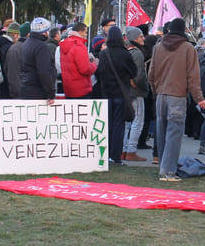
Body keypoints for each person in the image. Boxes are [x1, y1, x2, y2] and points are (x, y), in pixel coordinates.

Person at [150, 18, 205, 181]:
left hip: (161, 95)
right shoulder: (188, 48)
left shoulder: (158, 47)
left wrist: (156, 91)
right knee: (174, 134)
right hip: (177, 95)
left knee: (161, 132)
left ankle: (163, 165)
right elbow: (193, 76)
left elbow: (151, 74)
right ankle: (168, 171)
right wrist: (199, 98)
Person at [96, 26, 136, 165]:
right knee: (120, 125)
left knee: (108, 125)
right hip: (121, 93)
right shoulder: (125, 54)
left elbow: (99, 72)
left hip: (106, 93)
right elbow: (134, 72)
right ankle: (116, 156)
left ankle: (105, 154)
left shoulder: (104, 54)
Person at [123, 26, 149, 162]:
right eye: (140, 37)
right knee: (137, 121)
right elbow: (139, 76)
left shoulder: (126, 51)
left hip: (127, 90)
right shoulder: (137, 53)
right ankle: (131, 150)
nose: (143, 38)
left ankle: (123, 149)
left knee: (127, 122)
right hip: (136, 91)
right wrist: (145, 87)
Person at [19, 18, 57, 101]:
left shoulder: (27, 43)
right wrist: (50, 93)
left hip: (27, 86)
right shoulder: (41, 47)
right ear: (44, 32)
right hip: (38, 90)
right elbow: (44, 71)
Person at [59, 22, 96, 99]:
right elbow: (85, 69)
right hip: (81, 89)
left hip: (68, 88)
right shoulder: (79, 46)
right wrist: (94, 64)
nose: (86, 35)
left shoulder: (65, 44)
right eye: (85, 32)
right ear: (80, 32)